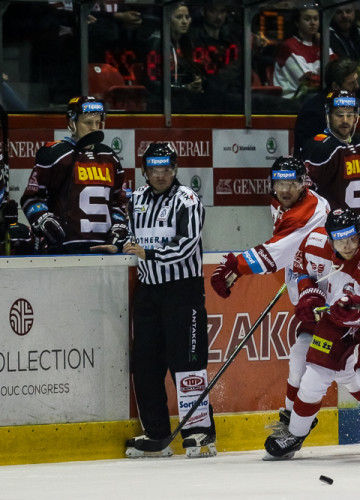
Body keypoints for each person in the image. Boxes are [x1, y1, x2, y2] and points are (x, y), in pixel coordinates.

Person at [263, 208, 360, 460]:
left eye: (353, 238)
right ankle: (295, 434)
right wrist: (309, 295)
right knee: (313, 376)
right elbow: (300, 272)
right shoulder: (315, 243)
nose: (349, 245)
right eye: (341, 240)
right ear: (329, 239)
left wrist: (359, 310)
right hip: (337, 318)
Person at [210, 156, 331, 431]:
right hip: (309, 286)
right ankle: (292, 418)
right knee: (302, 353)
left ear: (304, 184)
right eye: (279, 183)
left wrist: (234, 267)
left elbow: (275, 253)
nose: (284, 189)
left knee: (340, 366)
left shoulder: (308, 211)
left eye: (291, 183)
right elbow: (283, 246)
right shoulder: (281, 201)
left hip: (326, 293)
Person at [124, 142, 216, 458]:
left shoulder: (187, 200)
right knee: (145, 365)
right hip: (149, 292)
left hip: (183, 292)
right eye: (153, 169)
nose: (160, 175)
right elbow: (127, 235)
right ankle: (158, 434)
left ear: (174, 169)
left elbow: (186, 246)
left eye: (165, 169)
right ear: (145, 171)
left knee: (187, 363)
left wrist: (148, 252)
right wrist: (119, 244)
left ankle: (200, 433)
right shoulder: (135, 200)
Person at [20, 96, 128, 254]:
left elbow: (120, 202)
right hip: (63, 250)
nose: (94, 128)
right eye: (88, 123)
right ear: (72, 123)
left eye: (97, 122)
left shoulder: (109, 156)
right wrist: (44, 219)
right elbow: (31, 198)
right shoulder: (55, 155)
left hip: (104, 250)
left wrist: (117, 231)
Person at [300, 90, 360, 226]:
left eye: (349, 114)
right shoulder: (319, 148)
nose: (345, 120)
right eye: (339, 115)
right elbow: (305, 195)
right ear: (329, 116)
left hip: (358, 233)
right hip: (328, 233)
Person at [292, 57, 360, 156]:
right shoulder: (313, 111)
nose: (357, 86)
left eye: (356, 80)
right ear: (335, 86)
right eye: (351, 83)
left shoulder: (357, 105)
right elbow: (311, 153)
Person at [273, 8, 334, 100]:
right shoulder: (289, 46)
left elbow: (338, 72)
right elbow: (308, 83)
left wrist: (325, 43)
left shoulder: (322, 44)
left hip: (318, 95)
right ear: (297, 23)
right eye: (307, 19)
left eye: (316, 19)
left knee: (353, 101)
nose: (312, 23)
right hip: (293, 99)